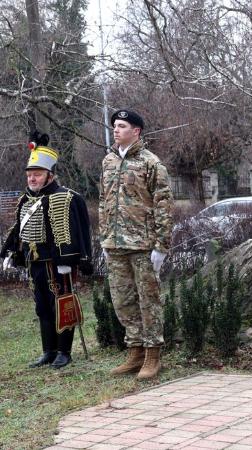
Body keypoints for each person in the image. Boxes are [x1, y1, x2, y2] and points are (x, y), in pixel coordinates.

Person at [1, 131, 93, 369]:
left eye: (38, 174)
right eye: (30, 174)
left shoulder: (66, 198)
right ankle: (48, 351)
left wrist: (70, 259)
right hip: (35, 263)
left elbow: (74, 231)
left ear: (50, 175)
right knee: (42, 306)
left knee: (62, 303)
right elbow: (19, 229)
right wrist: (11, 252)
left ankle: (64, 352)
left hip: (58, 263)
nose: (32, 178)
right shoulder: (26, 199)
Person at [99, 109, 173, 380]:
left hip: (143, 244)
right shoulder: (108, 161)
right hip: (116, 244)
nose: (115, 130)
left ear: (136, 131)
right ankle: (135, 350)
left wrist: (161, 245)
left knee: (148, 301)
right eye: (114, 126)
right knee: (123, 300)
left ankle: (153, 354)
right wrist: (105, 237)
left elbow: (163, 204)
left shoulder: (150, 162)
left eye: (121, 126)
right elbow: (102, 201)